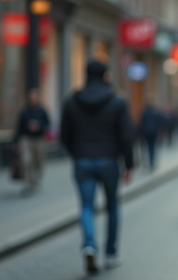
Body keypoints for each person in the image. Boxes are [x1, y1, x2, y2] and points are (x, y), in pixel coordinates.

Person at [60, 61, 134, 274]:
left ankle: (89, 245)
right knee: (112, 206)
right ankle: (111, 254)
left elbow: (64, 135)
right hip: (109, 161)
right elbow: (126, 136)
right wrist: (129, 164)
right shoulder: (118, 101)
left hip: (82, 160)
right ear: (106, 76)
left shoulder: (72, 101)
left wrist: (77, 153)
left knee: (86, 207)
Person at [12, 88, 51, 196]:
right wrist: (15, 142)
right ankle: (27, 184)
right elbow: (19, 127)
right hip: (26, 139)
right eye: (31, 97)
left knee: (39, 162)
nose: (33, 99)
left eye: (35, 97)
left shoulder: (42, 110)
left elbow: (48, 124)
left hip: (39, 139)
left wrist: (38, 125)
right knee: (26, 160)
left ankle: (35, 180)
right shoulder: (24, 111)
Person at [138, 101, 163, 170]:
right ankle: (151, 161)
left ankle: (148, 161)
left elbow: (141, 123)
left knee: (148, 147)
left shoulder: (144, 113)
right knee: (153, 147)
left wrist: (141, 133)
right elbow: (159, 123)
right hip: (154, 132)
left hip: (146, 133)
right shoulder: (155, 113)